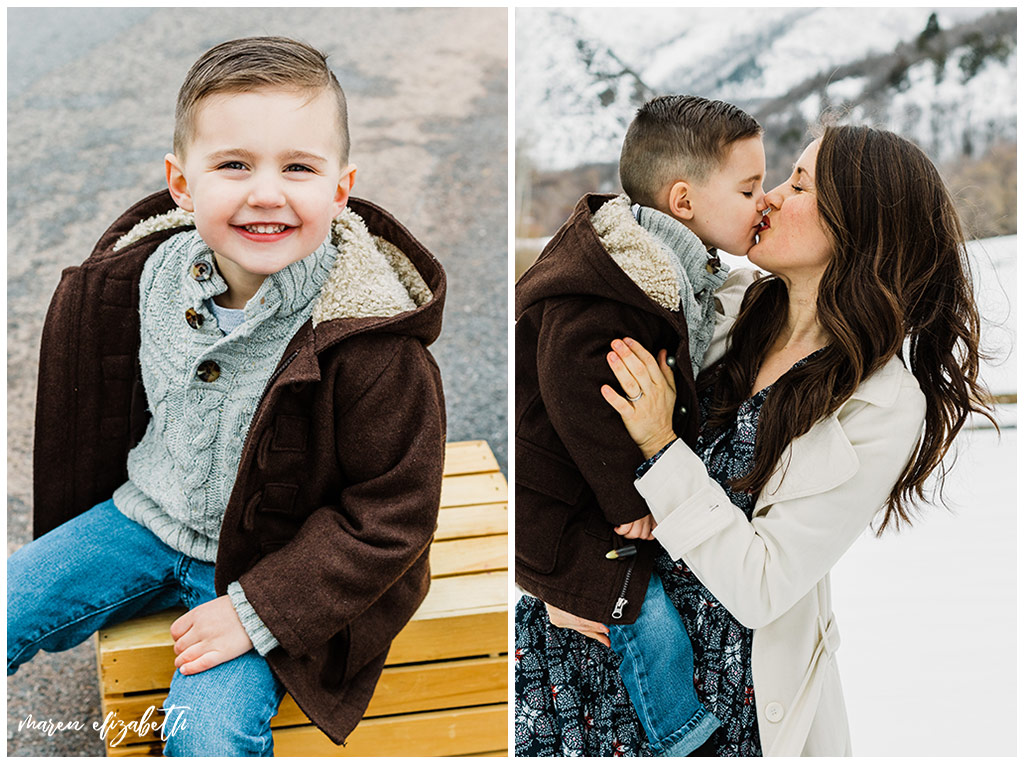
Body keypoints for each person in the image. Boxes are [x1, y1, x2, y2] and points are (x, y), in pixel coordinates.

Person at [8, 36, 446, 756]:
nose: (265, 192)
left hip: (269, 568)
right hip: (143, 519)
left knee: (208, 737)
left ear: (341, 187)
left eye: (298, 167)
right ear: (181, 183)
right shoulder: (145, 279)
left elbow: (393, 513)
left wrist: (255, 612)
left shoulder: (369, 343)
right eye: (234, 164)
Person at [519, 124, 994, 756]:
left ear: (855, 226)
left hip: (715, 702)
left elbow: (763, 584)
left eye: (798, 183)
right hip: (576, 657)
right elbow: (560, 428)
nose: (768, 197)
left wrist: (663, 447)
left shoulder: (882, 404)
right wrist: (557, 577)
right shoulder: (724, 308)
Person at [515, 95, 768, 755]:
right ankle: (682, 735)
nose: (762, 201)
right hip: (567, 504)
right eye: (749, 188)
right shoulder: (623, 277)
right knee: (643, 616)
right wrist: (632, 497)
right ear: (683, 200)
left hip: (585, 496)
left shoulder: (675, 268)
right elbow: (583, 391)